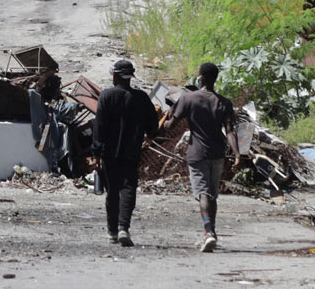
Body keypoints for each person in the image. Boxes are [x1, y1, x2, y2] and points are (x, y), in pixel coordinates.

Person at [163, 62, 244, 253]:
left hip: (197, 153)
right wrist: (237, 154)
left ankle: (208, 232)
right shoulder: (224, 102)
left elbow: (170, 126)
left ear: (201, 78)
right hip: (218, 153)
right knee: (212, 194)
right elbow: (230, 131)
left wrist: (164, 119)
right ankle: (212, 231)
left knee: (203, 193)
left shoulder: (188, 98)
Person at [91, 59, 159, 247]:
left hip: (109, 153)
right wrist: (149, 136)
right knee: (128, 188)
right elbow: (153, 125)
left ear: (115, 75)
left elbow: (99, 126)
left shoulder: (106, 96)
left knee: (112, 191)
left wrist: (96, 152)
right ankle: (123, 228)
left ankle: (112, 232)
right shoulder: (141, 98)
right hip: (132, 152)